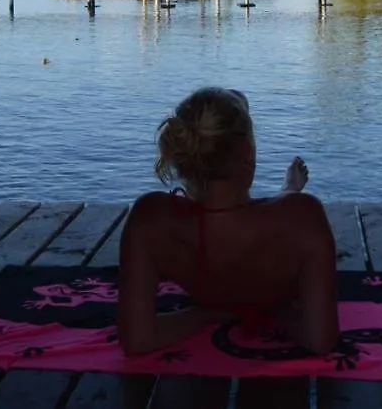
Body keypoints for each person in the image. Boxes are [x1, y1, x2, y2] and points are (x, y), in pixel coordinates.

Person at [117, 87, 340, 356]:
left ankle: (286, 191)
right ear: (247, 152)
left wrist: (206, 313)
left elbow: (138, 341)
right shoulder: (303, 216)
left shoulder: (149, 218)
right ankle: (287, 190)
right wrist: (268, 306)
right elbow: (321, 340)